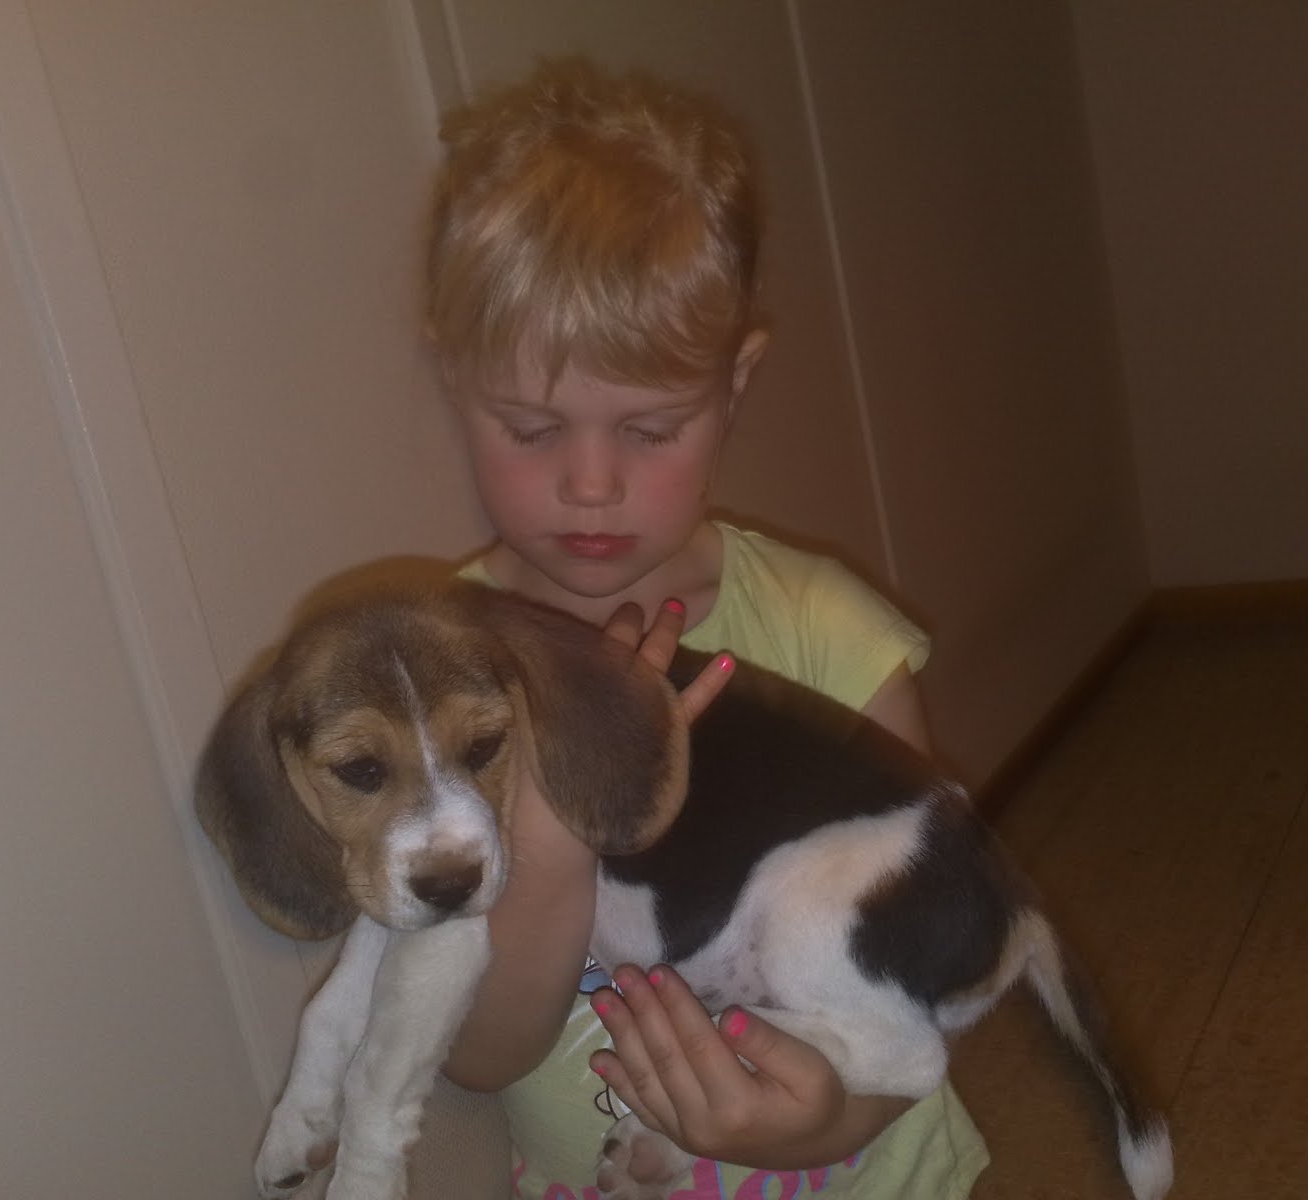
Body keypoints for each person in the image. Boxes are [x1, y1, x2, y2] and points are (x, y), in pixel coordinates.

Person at [427, 59, 989, 1199]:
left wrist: (822, 1122)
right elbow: (480, 1053)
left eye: (650, 430)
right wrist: (559, 832)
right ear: (453, 380)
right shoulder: (436, 671)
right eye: (531, 429)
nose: (591, 485)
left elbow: (930, 954)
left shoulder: (829, 634)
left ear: (735, 384)